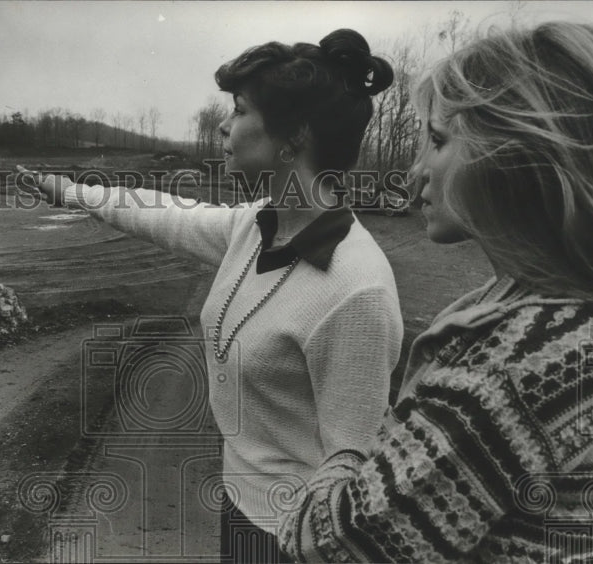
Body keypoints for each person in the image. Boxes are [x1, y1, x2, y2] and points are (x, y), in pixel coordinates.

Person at [276, 21, 593, 562]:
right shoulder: (581, 310)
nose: (415, 171)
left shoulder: (522, 365)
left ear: (517, 157)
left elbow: (329, 543)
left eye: (437, 141)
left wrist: (345, 455)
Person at [21, 29, 402, 563]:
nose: (225, 125)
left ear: (292, 136)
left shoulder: (356, 290)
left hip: (297, 542)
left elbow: (354, 467)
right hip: (240, 512)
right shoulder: (255, 226)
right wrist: (73, 192)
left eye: (240, 111)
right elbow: (166, 214)